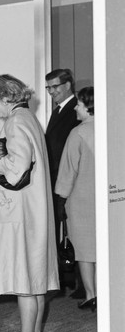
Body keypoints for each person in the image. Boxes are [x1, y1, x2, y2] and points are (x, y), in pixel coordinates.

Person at [0, 74, 59, 332]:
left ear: (5, 97)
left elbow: (16, 166)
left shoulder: (15, 121)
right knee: (34, 279)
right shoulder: (28, 118)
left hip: (21, 213)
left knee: (24, 281)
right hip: (33, 210)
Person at [55, 87, 96, 312]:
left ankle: (91, 294)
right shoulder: (113, 129)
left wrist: (61, 198)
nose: (76, 108)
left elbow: (68, 171)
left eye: (79, 104)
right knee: (102, 248)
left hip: (81, 200)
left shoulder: (78, 133)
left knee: (84, 251)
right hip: (108, 198)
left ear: (88, 106)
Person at [44, 69, 81, 293]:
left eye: (55, 87)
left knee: (73, 228)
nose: (51, 92)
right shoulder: (59, 110)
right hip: (58, 176)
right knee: (64, 227)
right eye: (48, 87)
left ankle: (80, 282)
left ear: (68, 85)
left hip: (69, 178)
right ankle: (70, 277)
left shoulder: (75, 108)